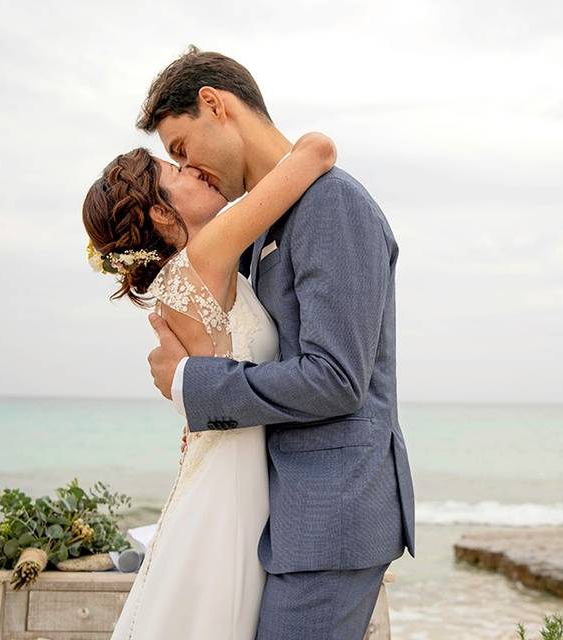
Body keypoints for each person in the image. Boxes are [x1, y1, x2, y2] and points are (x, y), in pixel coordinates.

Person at [142, 47, 415, 639]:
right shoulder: (259, 226)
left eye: (182, 149)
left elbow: (337, 378)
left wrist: (195, 385)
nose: (189, 169)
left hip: (331, 517)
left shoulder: (333, 203)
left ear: (214, 105)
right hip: (280, 518)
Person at [83, 132, 336, 639]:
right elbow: (318, 152)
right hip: (232, 486)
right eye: (175, 171)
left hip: (221, 468)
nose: (193, 169)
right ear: (160, 213)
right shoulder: (208, 252)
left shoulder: (182, 275)